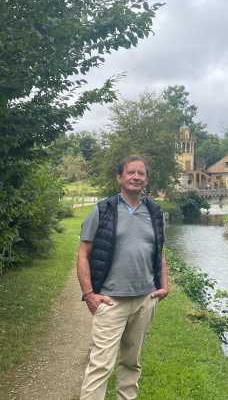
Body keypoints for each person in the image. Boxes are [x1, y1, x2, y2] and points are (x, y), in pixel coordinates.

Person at [77, 155, 169, 400]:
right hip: (110, 301)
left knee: (131, 363)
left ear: (146, 179)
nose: (136, 177)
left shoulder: (155, 212)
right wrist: (89, 294)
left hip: (143, 300)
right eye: (131, 172)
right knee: (100, 366)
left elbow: (159, 252)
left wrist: (164, 286)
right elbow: (83, 253)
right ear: (119, 177)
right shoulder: (103, 210)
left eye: (141, 173)